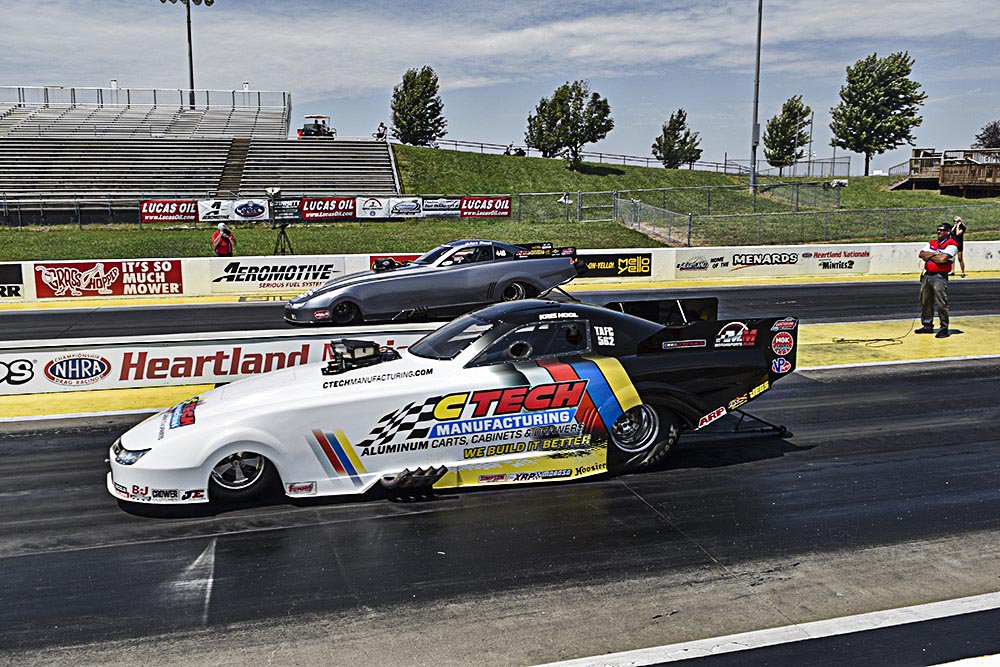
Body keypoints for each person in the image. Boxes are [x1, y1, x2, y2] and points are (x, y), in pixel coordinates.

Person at [915, 223, 959, 338]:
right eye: (938, 230)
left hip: (940, 276)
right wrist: (935, 254)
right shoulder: (932, 243)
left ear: (948, 232)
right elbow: (921, 254)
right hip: (927, 275)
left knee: (941, 302)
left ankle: (944, 327)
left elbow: (943, 259)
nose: (939, 232)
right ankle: (927, 325)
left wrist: (929, 255)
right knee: (925, 301)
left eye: (942, 230)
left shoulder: (952, 244)